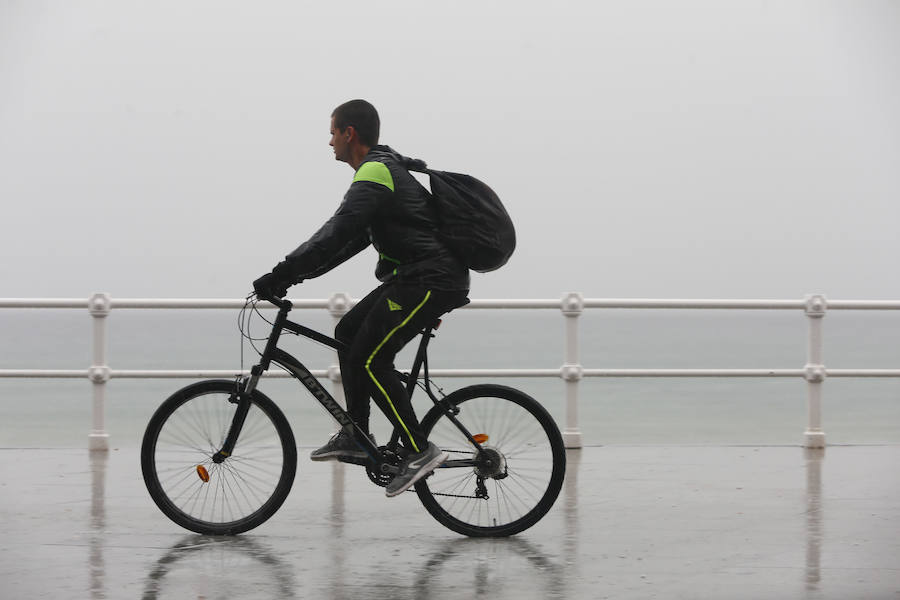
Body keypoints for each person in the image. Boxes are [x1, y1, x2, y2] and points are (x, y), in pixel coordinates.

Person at [253, 99, 470, 497]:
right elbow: (344, 245)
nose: (329, 140)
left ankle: (420, 450)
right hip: (417, 278)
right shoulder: (381, 172)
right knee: (349, 331)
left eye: (332, 131)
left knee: (370, 360)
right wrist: (291, 279)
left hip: (430, 279)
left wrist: (281, 272)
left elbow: (335, 232)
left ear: (349, 133)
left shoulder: (376, 171)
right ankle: (356, 433)